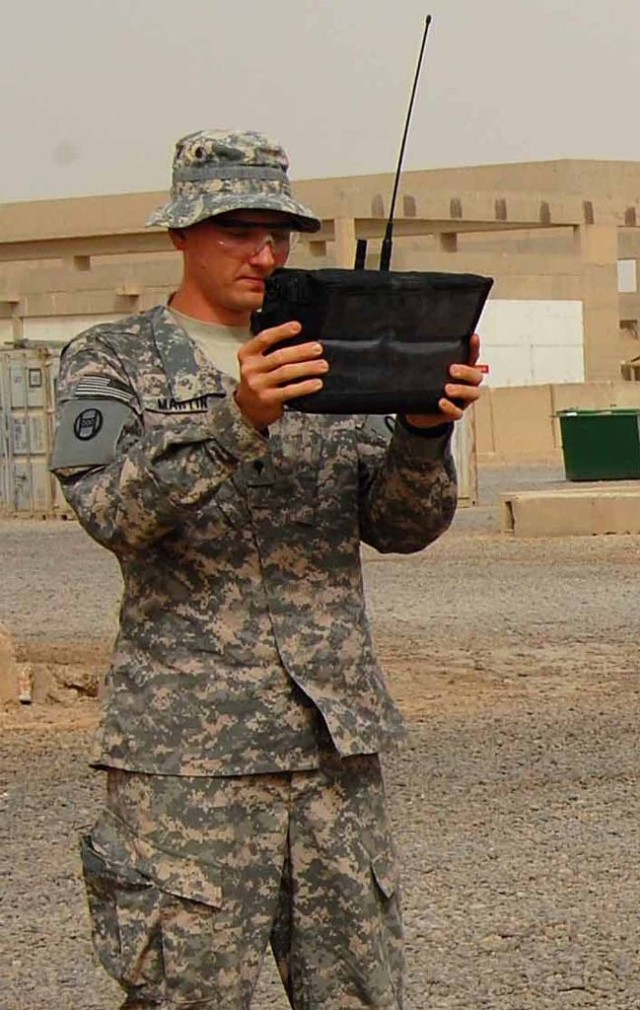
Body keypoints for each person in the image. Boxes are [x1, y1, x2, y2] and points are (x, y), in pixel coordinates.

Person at [50, 129, 483, 1010]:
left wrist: (426, 434)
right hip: (188, 762)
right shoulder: (110, 360)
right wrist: (236, 420)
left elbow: (398, 528)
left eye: (277, 231)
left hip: (333, 750)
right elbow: (113, 514)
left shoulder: (324, 353)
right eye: (234, 229)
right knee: (186, 995)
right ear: (180, 233)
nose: (263, 252)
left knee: (360, 996)